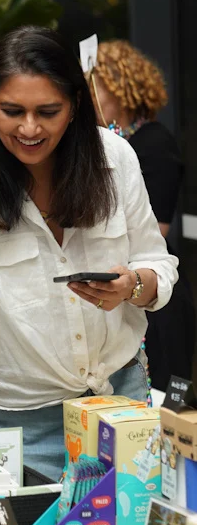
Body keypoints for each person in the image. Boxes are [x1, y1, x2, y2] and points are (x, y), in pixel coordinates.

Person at [0, 26, 178, 514]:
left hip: (119, 404)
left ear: (76, 107)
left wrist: (132, 286)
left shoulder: (115, 161)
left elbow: (157, 263)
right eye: (11, 111)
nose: (29, 129)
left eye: (48, 112)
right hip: (15, 425)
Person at [90, 39, 196, 390]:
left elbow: (157, 228)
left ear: (120, 85)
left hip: (155, 295)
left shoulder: (154, 144)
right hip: (117, 294)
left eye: (96, 83)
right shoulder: (101, 143)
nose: (89, 94)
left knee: (161, 400)